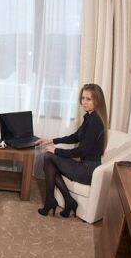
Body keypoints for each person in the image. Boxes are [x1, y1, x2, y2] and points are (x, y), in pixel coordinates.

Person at [35, 83, 108, 218]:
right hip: (84, 166)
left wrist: (57, 151)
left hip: (88, 170)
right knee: (50, 162)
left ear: (97, 101)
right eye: (83, 98)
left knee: (48, 157)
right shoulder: (90, 117)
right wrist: (52, 140)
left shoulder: (95, 122)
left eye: (88, 99)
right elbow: (75, 137)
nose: (84, 102)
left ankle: (53, 200)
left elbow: (81, 151)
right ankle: (66, 201)